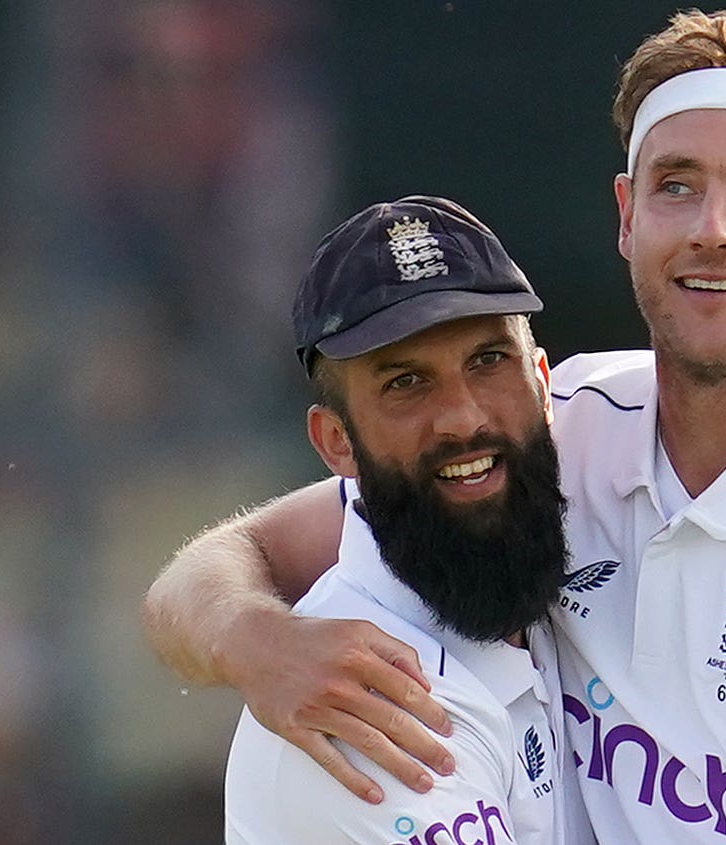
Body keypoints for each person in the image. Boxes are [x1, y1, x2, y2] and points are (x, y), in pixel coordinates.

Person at [144, 10, 726, 845]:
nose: (712, 230)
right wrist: (263, 645)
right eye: (676, 185)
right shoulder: (562, 423)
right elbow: (214, 567)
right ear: (627, 215)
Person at [221, 195, 592, 844]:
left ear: (541, 380)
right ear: (335, 441)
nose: (463, 417)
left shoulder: (584, 523)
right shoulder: (360, 712)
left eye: (487, 360)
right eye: (405, 382)